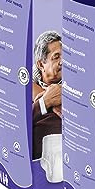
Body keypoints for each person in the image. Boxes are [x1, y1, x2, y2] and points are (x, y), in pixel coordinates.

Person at [32, 31, 62, 162]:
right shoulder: (26, 89)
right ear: (40, 64)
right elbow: (18, 124)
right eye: (56, 57)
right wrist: (44, 102)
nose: (62, 62)